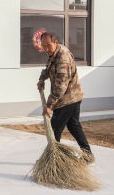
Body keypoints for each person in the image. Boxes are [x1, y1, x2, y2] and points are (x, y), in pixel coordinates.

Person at [35, 31, 94, 163]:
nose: (46, 49)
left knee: (54, 128)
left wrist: (49, 105)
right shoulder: (53, 53)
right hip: (71, 97)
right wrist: (42, 79)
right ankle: (88, 155)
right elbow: (49, 68)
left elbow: (61, 86)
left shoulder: (63, 58)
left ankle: (54, 160)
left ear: (56, 42)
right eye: (43, 46)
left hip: (67, 99)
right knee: (74, 126)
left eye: (48, 46)